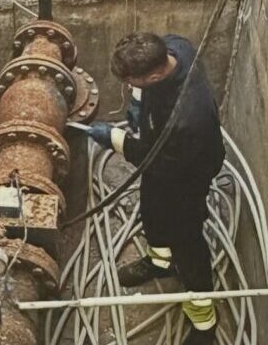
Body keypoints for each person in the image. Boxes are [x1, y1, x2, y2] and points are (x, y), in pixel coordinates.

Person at [87, 32, 225, 344]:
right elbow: (156, 164)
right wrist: (138, 103)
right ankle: (160, 262)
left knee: (186, 240)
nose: (128, 88)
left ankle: (205, 322)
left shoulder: (186, 116)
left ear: (154, 75)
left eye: (133, 83)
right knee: (152, 209)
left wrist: (115, 139)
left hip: (186, 174)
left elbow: (155, 160)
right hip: (166, 163)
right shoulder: (175, 48)